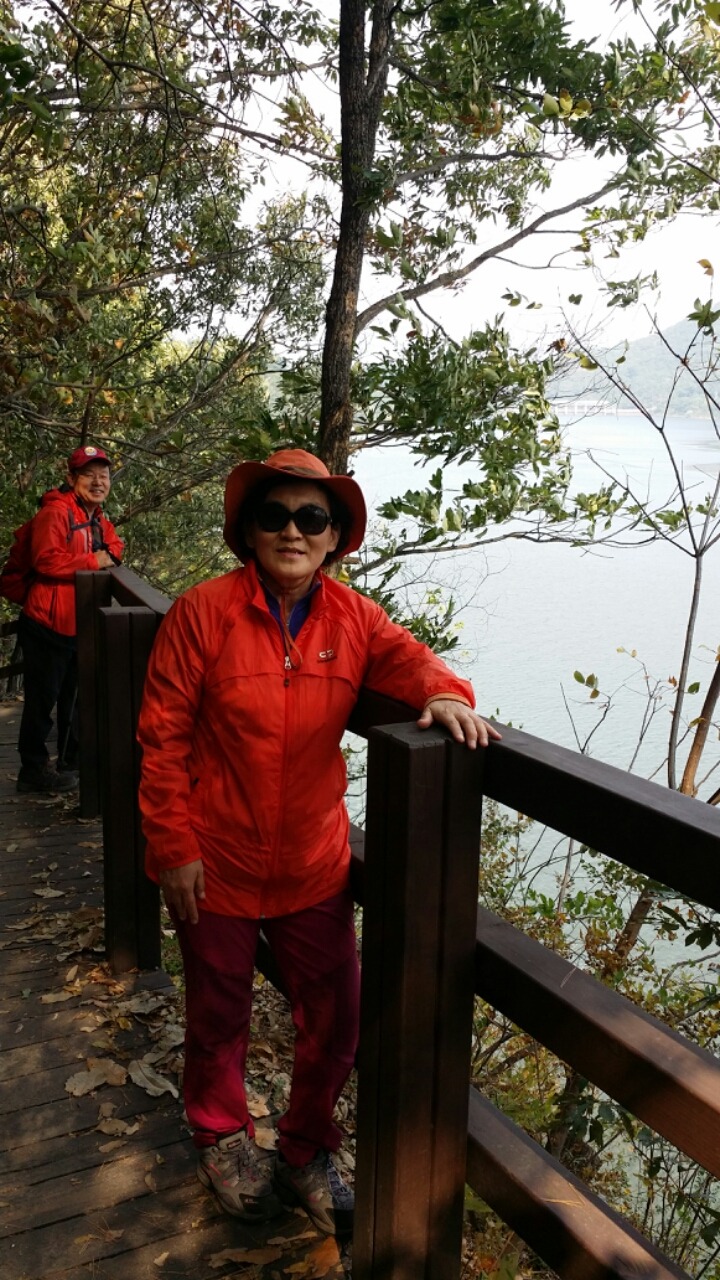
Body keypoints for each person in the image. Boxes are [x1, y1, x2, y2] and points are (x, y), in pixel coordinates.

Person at [137, 447, 500, 1237]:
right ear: (249, 530)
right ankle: (222, 1138)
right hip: (217, 859)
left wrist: (446, 693)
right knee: (218, 1015)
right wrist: (173, 847)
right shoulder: (202, 613)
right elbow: (161, 740)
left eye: (312, 518)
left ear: (335, 537)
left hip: (313, 864)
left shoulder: (353, 618)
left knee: (337, 1020)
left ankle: (304, 1149)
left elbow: (411, 661)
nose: (293, 531)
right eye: (275, 515)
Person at [15, 445, 123, 794]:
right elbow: (46, 559)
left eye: (103, 476)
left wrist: (105, 554)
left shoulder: (96, 517)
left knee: (73, 697)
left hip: (77, 622)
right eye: (89, 475)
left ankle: (69, 762)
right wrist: (93, 561)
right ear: (71, 478)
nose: (98, 481)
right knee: (42, 700)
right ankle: (32, 769)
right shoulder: (56, 512)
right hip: (47, 622)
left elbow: (115, 546)